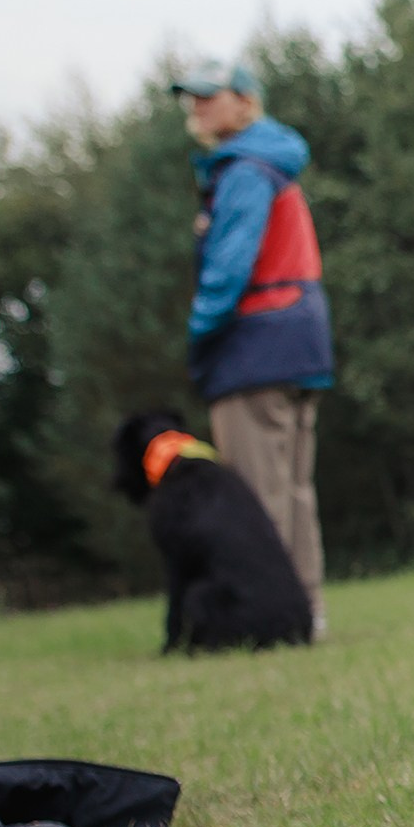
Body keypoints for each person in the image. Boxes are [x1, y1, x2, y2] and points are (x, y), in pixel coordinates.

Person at [173, 61, 335, 642]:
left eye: (208, 98)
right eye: (191, 101)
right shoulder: (277, 164)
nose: (197, 110)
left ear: (245, 103)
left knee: (257, 492)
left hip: (254, 343)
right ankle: (304, 611)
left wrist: (200, 333)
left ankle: (271, 617)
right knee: (294, 488)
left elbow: (229, 268)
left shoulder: (243, 171)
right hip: (301, 339)